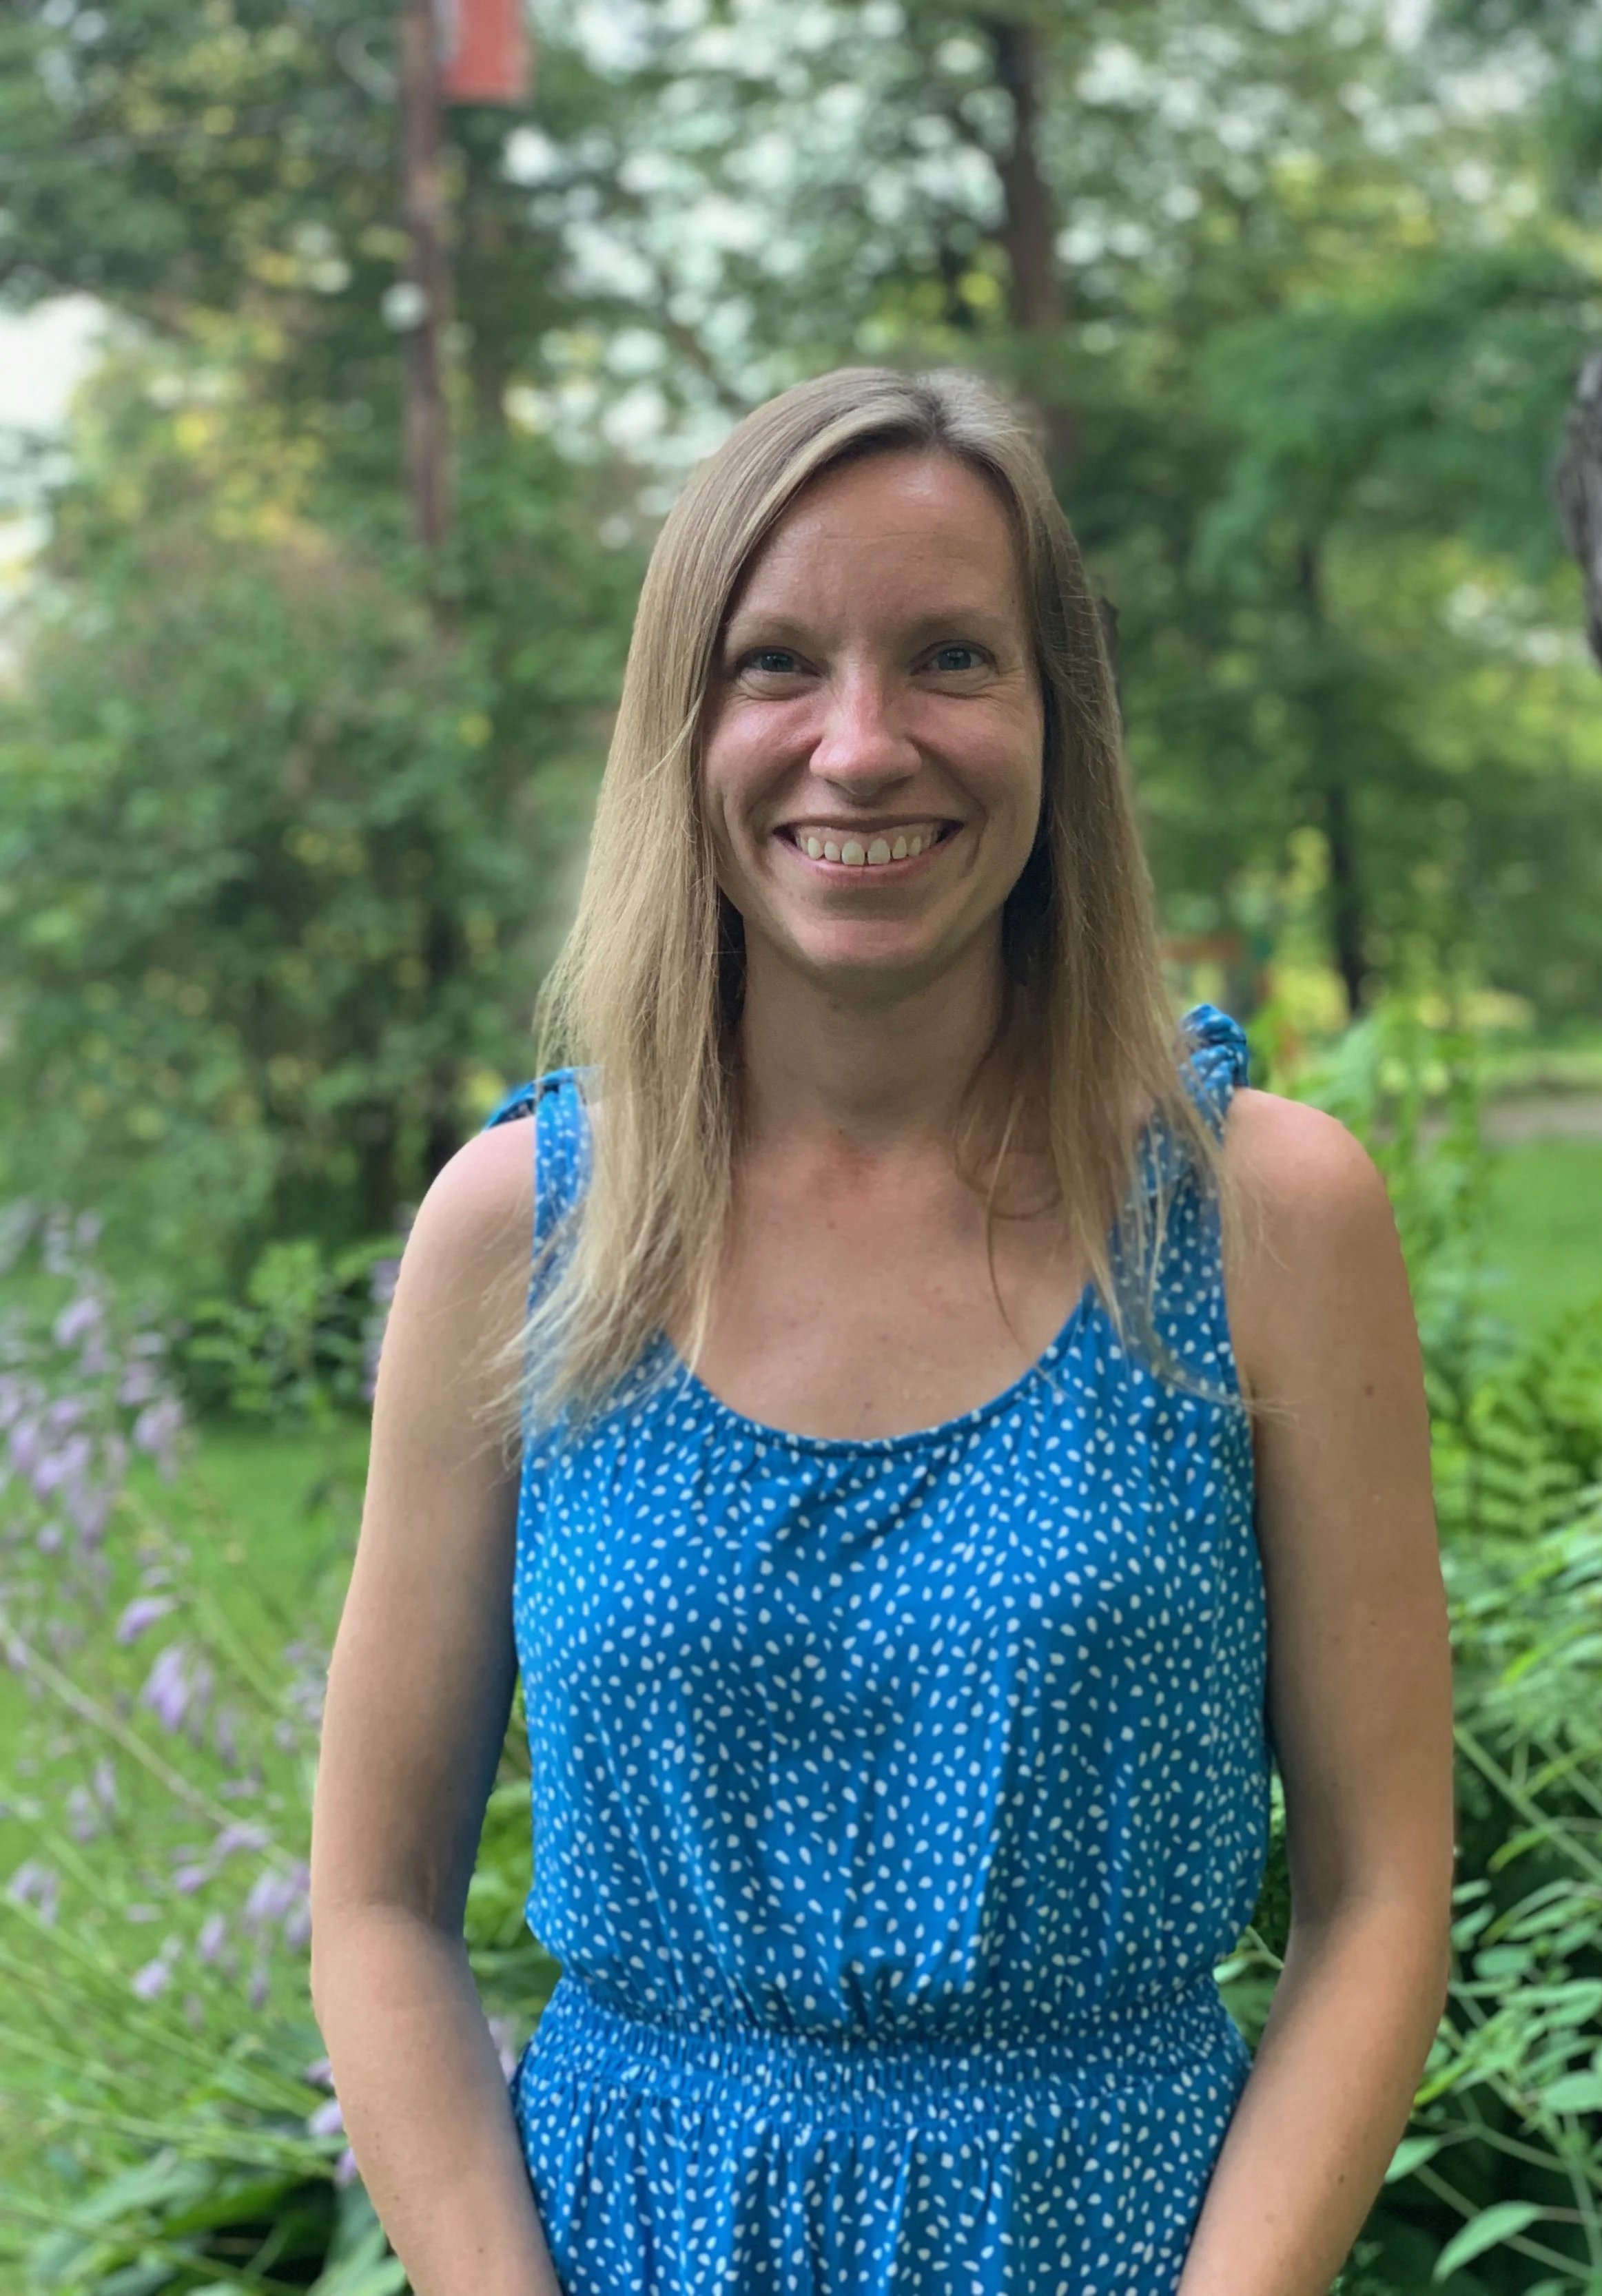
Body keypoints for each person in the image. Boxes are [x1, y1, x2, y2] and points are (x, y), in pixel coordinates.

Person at [308, 366, 1453, 2295]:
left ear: (1053, 722)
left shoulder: (1260, 1214)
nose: (860, 745)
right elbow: (373, 1899)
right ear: (683, 728)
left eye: (947, 656)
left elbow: (1374, 1887)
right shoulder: (522, 1235)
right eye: (775, 664)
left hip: (1125, 2243)